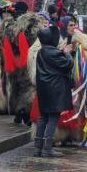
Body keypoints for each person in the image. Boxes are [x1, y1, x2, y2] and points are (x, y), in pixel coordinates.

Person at [34, 26, 73, 157]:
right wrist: (67, 53)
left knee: (43, 117)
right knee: (53, 117)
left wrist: (61, 52)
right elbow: (67, 64)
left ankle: (37, 148)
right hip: (54, 89)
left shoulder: (42, 51)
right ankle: (47, 149)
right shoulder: (53, 52)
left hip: (44, 89)